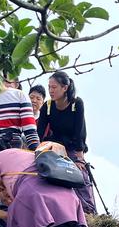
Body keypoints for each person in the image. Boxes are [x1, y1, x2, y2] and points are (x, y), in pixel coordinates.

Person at [37, 71, 95, 213]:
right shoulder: (48, 106)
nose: (51, 91)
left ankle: (88, 210)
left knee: (81, 176)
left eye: (54, 87)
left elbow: (80, 131)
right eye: (49, 87)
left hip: (72, 146)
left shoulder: (76, 104)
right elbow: (39, 132)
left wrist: (79, 156)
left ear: (65, 88)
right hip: (54, 147)